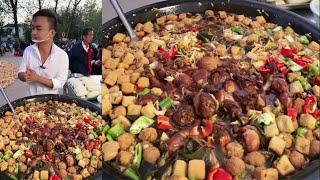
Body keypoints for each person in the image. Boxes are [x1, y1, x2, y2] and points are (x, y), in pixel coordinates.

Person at [18, 9, 69, 96]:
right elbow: (20, 73)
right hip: (30, 100)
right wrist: (24, 76)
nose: (33, 32)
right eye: (33, 28)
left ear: (51, 33)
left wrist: (37, 78)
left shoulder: (62, 56)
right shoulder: (28, 51)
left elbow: (60, 82)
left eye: (38, 29)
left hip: (51, 102)